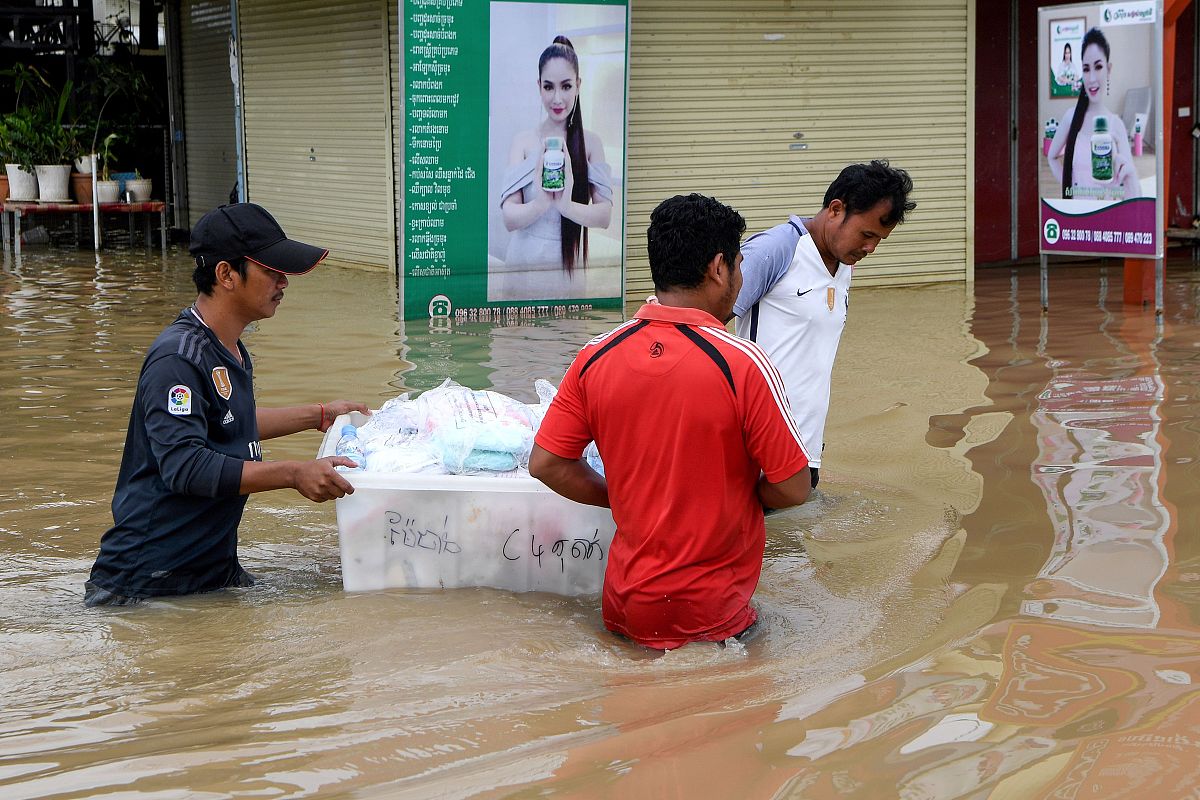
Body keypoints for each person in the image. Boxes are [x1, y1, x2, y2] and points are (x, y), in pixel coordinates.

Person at [530, 193, 812, 650]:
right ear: (720, 267)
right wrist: (742, 498)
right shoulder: (744, 364)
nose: (740, 279)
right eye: (739, 265)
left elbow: (546, 464)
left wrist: (622, 498)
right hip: (712, 615)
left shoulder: (595, 356)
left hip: (621, 606)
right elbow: (795, 487)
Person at [84, 203, 369, 606]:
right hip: (148, 584)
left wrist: (320, 415)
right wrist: (293, 474)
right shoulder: (178, 360)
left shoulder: (229, 348)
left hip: (210, 573)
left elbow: (230, 423)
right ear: (226, 274)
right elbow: (185, 466)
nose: (283, 281)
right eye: (271, 270)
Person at [731, 160, 915, 488]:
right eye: (867, 234)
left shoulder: (845, 265)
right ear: (835, 209)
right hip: (755, 454)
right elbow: (699, 324)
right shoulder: (775, 250)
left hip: (805, 450)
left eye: (879, 240)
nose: (871, 248)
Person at [499, 35, 614, 276]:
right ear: (538, 85)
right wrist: (542, 203)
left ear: (578, 84)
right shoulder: (523, 141)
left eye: (566, 86)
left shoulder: (591, 143)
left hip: (568, 271)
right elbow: (509, 218)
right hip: (522, 266)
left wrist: (566, 206)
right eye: (549, 87)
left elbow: (604, 215)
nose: (557, 98)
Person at [1047, 27, 1139, 201]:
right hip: (1078, 217)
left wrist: (1129, 179)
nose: (1092, 78)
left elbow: (1131, 194)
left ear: (1109, 69)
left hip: (1108, 218)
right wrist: (1071, 189)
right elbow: (1052, 157)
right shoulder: (1071, 117)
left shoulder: (1116, 124)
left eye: (1098, 67)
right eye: (1086, 69)